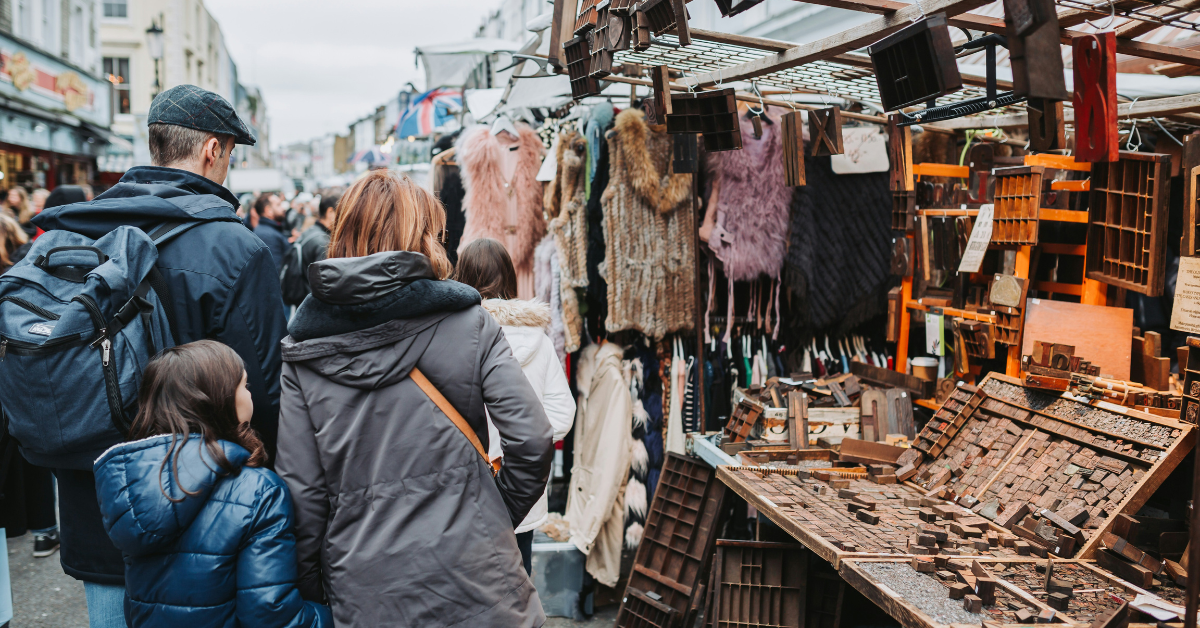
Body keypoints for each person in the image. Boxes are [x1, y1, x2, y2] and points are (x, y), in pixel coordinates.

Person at [30, 84, 288, 628]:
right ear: (212, 150)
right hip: (205, 518)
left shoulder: (73, 231)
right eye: (231, 156)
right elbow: (263, 393)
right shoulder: (235, 247)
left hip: (97, 509)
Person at [275, 169, 554, 627]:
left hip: (367, 587)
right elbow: (532, 439)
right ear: (423, 236)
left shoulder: (304, 353)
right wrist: (493, 514)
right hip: (478, 577)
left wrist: (318, 587)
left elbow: (302, 495)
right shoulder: (471, 324)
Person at [93, 340, 331, 628]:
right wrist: (333, 617)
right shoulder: (259, 491)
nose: (248, 393)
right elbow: (270, 612)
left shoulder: (134, 487)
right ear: (219, 399)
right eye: (244, 385)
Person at [454, 238, 576, 576]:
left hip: (468, 486)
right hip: (524, 489)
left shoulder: (454, 337)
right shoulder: (537, 339)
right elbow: (563, 413)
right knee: (518, 584)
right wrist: (520, 447)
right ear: (510, 278)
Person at [253, 192, 291, 270]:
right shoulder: (268, 235)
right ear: (268, 210)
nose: (283, 208)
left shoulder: (268, 230)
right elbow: (276, 270)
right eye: (278, 205)